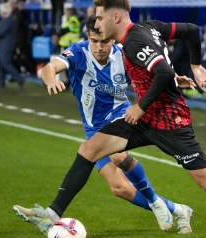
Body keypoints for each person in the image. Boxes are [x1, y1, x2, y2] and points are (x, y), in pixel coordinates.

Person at [16, 1, 206, 237]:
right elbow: (190, 31)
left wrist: (142, 106)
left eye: (100, 16)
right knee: (90, 149)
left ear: (116, 17)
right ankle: (53, 213)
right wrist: (191, 68)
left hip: (170, 121)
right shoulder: (149, 27)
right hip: (145, 119)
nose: (97, 22)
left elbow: (159, 72)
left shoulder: (133, 42)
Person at [14, 16, 196, 234]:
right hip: (93, 127)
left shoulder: (124, 54)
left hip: (121, 116)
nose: (99, 47)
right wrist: (51, 79)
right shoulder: (78, 52)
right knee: (119, 188)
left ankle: (154, 203)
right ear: (88, 39)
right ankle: (177, 209)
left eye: (104, 41)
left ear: (111, 39)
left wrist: (175, 78)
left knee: (118, 156)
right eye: (94, 41)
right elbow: (50, 67)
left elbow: (153, 69)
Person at [0, 4, 24, 90]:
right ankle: (1, 83)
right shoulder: (6, 20)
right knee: (1, 65)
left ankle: (20, 79)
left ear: (4, 12)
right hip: (2, 46)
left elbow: (1, 32)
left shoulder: (8, 21)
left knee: (5, 63)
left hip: (6, 46)